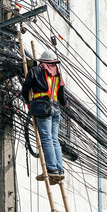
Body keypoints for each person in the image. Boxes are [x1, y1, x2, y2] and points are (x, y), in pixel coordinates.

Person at [22, 50, 68, 183]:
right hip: (55, 108)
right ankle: (59, 169)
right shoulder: (57, 74)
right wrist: (64, 104)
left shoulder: (35, 70)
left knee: (47, 138)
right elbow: (61, 96)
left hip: (42, 107)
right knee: (54, 139)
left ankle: (51, 169)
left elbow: (25, 89)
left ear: (42, 61)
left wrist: (29, 103)